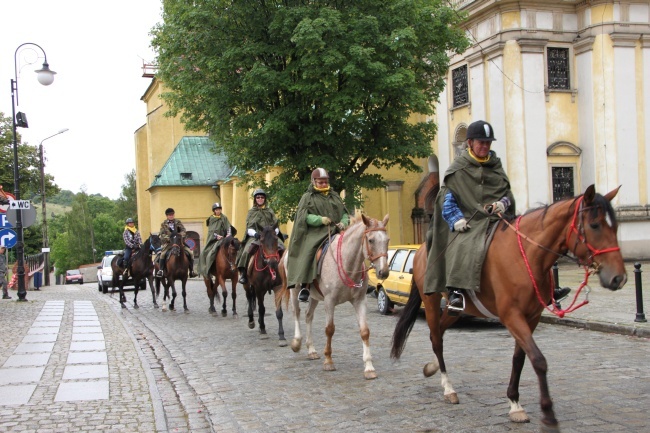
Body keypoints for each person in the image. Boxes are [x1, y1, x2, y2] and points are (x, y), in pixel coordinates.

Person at [424, 120, 570, 315]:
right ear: (470, 143)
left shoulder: (496, 166)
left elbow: (507, 194)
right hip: (469, 221)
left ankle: (549, 289)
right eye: (480, 142)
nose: (485, 146)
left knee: (532, 241)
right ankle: (456, 292)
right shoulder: (458, 169)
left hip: (497, 219)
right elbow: (446, 198)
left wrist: (502, 204)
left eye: (488, 143)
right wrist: (455, 219)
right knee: (463, 245)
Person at [287, 168, 350, 302]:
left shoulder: (334, 195)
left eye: (325, 182)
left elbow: (344, 212)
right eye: (320, 182)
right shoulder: (307, 197)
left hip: (336, 230)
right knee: (311, 252)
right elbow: (303, 216)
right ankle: (305, 286)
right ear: (314, 182)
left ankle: (356, 282)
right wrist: (320, 220)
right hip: (316, 233)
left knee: (353, 247)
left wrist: (344, 222)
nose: (323, 185)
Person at [236, 189, 284, 285]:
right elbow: (249, 228)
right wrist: (255, 234)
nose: (260, 199)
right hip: (256, 236)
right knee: (246, 251)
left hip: (270, 236)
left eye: (262, 197)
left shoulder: (270, 211)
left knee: (282, 247)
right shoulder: (251, 212)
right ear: (255, 199)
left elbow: (276, 225)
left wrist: (275, 232)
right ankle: (244, 273)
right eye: (258, 197)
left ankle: (286, 271)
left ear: (265, 199)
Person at [156, 208, 198, 278]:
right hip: (169, 243)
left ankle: (191, 271)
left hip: (179, 242)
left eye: (172, 215)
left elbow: (183, 230)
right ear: (167, 216)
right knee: (162, 254)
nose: (171, 216)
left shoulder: (178, 222)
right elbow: (162, 234)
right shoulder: (163, 224)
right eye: (169, 215)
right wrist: (170, 238)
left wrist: (179, 236)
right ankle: (161, 270)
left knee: (190, 253)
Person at [198, 202, 233, 277]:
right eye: (217, 210)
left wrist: (228, 234)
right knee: (206, 253)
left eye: (219, 209)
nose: (218, 211)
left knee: (234, 248)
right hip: (214, 239)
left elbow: (228, 226)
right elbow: (211, 231)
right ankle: (207, 270)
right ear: (214, 211)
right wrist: (217, 236)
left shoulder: (224, 217)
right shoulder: (211, 219)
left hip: (224, 238)